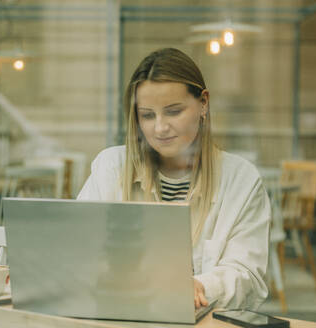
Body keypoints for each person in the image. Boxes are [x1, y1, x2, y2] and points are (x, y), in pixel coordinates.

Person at [78, 48, 270, 310]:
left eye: (173, 111)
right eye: (147, 115)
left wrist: (202, 285)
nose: (159, 128)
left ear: (203, 103)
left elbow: (247, 276)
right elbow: (80, 250)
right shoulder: (110, 167)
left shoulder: (241, 180)